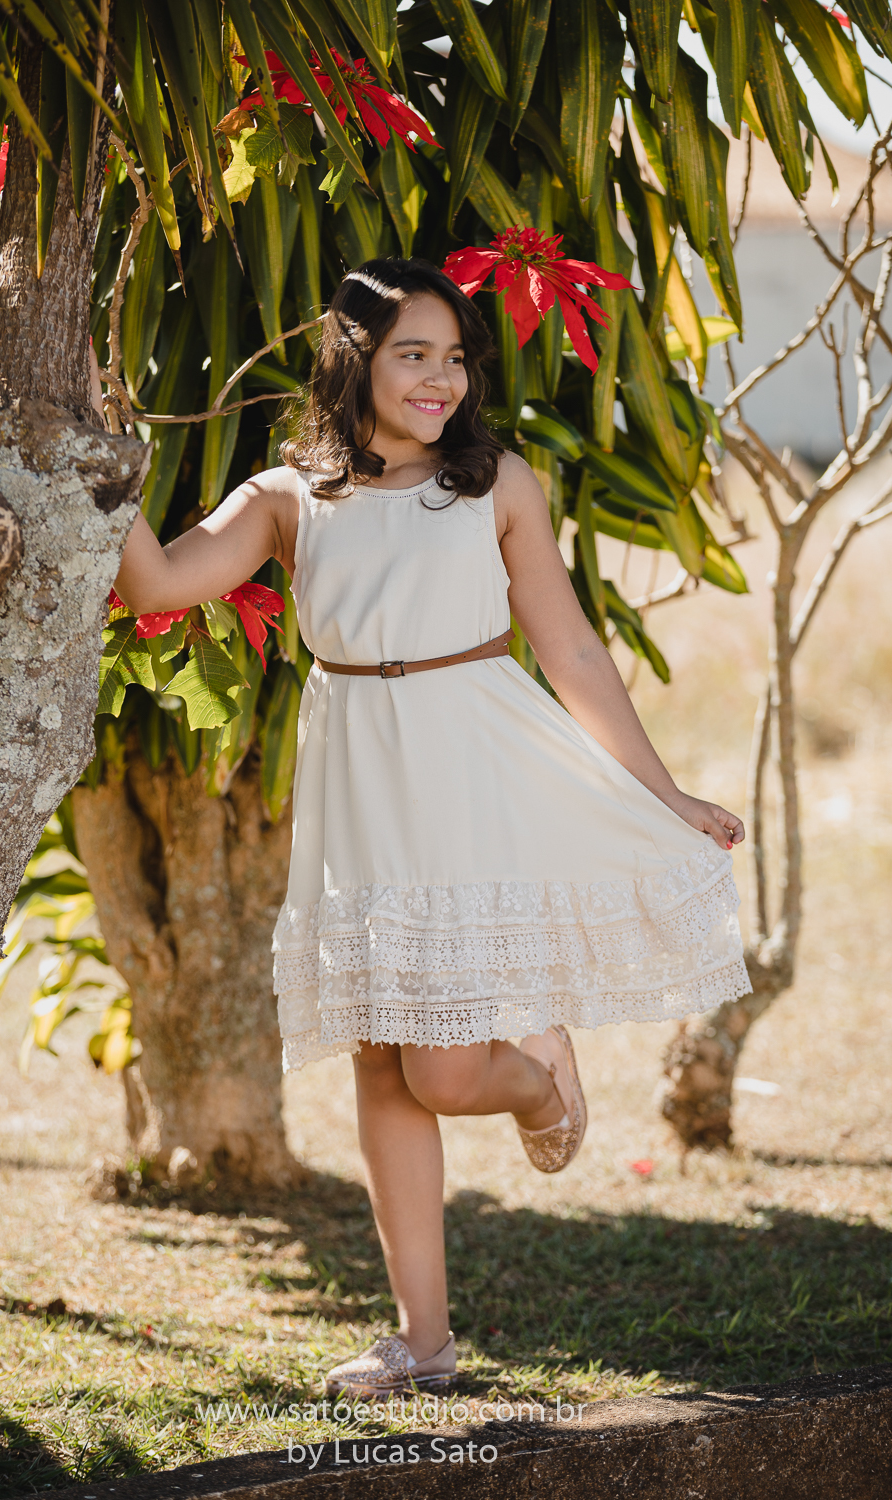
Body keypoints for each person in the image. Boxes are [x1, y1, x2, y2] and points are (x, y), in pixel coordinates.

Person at [112, 256, 749, 1402]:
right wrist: (100, 475)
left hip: (474, 758)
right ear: (354, 356)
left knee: (448, 1071)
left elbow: (572, 650)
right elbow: (159, 585)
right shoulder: (285, 499)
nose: (441, 378)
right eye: (415, 353)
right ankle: (424, 1340)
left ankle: (540, 1077)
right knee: (383, 1057)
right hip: (360, 772)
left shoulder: (494, 482)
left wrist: (666, 796)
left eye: (454, 356)